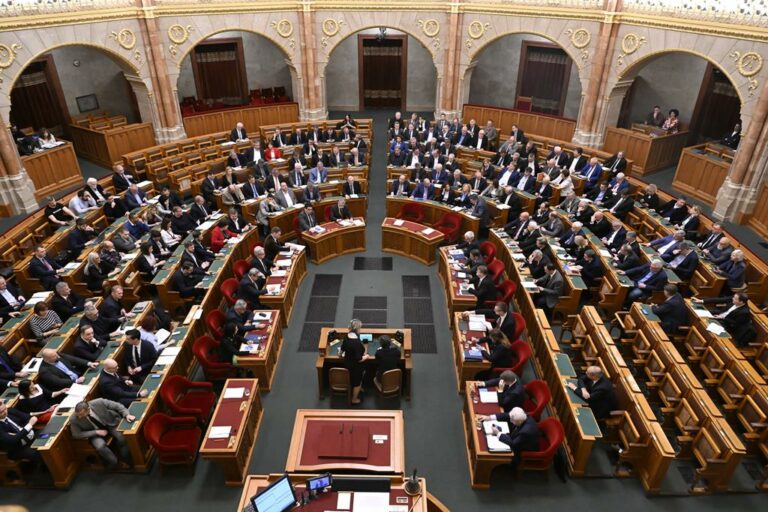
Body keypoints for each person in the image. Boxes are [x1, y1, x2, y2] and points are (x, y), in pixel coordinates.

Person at [70, 398, 134, 469]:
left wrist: (126, 414)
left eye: (81, 414)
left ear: (88, 409)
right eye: (78, 414)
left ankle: (127, 458)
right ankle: (116, 463)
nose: (79, 417)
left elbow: (117, 406)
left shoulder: (99, 402)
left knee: (121, 437)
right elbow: (76, 434)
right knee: (100, 446)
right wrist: (96, 432)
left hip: (110, 424)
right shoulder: (74, 418)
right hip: (94, 433)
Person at [0, 399, 41, 464]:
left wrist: (20, 433)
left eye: (5, 409)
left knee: (46, 435)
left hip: (30, 436)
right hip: (18, 448)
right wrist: (29, 426)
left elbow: (28, 417)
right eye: (1, 412)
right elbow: (12, 440)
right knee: (35, 453)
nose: (5, 412)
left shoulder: (10, 411)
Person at [341, 319, 370, 404]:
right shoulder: (357, 343)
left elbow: (342, 349)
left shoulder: (346, 337)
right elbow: (359, 359)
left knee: (354, 378)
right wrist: (367, 356)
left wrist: (340, 353)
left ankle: (358, 387)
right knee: (358, 381)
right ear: (357, 329)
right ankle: (354, 399)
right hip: (356, 367)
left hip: (347, 364)